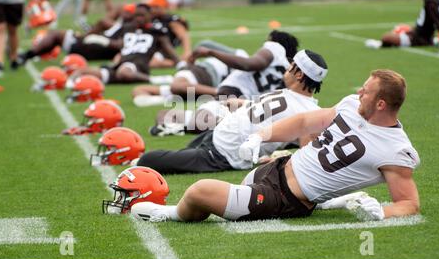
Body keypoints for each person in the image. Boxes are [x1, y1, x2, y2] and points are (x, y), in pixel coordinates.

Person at [131, 69, 421, 223]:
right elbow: (305, 121)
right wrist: (261, 136)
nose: (359, 93)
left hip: (285, 198)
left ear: (381, 104)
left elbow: (409, 203)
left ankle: (166, 214)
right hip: (276, 169)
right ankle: (331, 200)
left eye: (366, 92)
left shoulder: (395, 149)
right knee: (215, 195)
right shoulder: (350, 105)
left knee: (199, 191)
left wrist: (383, 213)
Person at [136, 49, 327, 174]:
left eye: (291, 66)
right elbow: (267, 110)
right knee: (175, 154)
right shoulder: (291, 94)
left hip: (223, 154)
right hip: (217, 134)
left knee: (150, 159)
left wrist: (276, 159)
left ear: (300, 74)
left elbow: (306, 153)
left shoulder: (309, 112)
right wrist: (241, 103)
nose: (286, 69)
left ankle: (132, 161)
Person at [70, 3, 180, 84]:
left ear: (149, 15)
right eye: (136, 16)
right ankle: (69, 84)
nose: (138, 19)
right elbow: (120, 45)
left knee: (124, 73)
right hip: (121, 64)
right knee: (82, 71)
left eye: (142, 15)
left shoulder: (157, 32)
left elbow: (169, 50)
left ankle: (155, 80)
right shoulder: (128, 28)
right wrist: (100, 40)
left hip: (138, 65)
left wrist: (181, 64)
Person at [190, 30, 299, 98]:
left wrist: (211, 52)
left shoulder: (274, 48)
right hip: (251, 108)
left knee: (191, 122)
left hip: (233, 93)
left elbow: (247, 65)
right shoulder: (289, 71)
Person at [18, 3, 136, 63]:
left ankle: (27, 55)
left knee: (55, 35)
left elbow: (120, 44)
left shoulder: (129, 29)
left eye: (128, 12)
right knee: (55, 34)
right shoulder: (120, 24)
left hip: (91, 47)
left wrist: (99, 39)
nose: (124, 14)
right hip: (91, 43)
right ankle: (28, 55)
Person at [143, 0, 191, 68]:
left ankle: (180, 63)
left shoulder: (171, 20)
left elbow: (183, 35)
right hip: (148, 47)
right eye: (151, 7)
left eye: (155, 7)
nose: (152, 9)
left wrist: (187, 51)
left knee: (150, 62)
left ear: (163, 7)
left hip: (165, 50)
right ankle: (180, 62)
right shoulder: (150, 19)